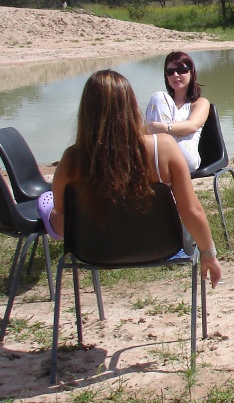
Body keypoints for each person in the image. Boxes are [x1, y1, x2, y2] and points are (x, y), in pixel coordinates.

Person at [41, 69, 221, 288]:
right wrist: (209, 254)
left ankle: (44, 205)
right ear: (130, 104)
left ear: (86, 111)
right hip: (160, 247)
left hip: (93, 251)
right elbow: (191, 211)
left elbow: (64, 219)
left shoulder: (72, 159)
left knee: (52, 209)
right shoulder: (163, 147)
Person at [145, 52, 211, 172]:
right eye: (170, 72)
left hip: (186, 157)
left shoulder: (199, 103)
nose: (175, 75)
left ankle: (156, 160)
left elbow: (192, 125)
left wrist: (165, 128)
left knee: (158, 96)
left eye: (181, 70)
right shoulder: (163, 105)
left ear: (191, 73)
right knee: (157, 99)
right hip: (162, 155)